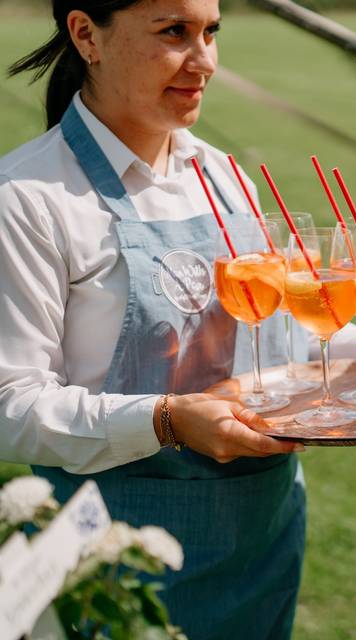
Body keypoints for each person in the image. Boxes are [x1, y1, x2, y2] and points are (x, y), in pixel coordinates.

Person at [0, 2, 307, 638]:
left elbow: (281, 334)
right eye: (175, 33)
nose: (206, 62)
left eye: (211, 32)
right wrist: (168, 421)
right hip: (117, 567)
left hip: (262, 542)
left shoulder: (223, 175)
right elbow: (10, 408)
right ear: (87, 35)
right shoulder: (26, 200)